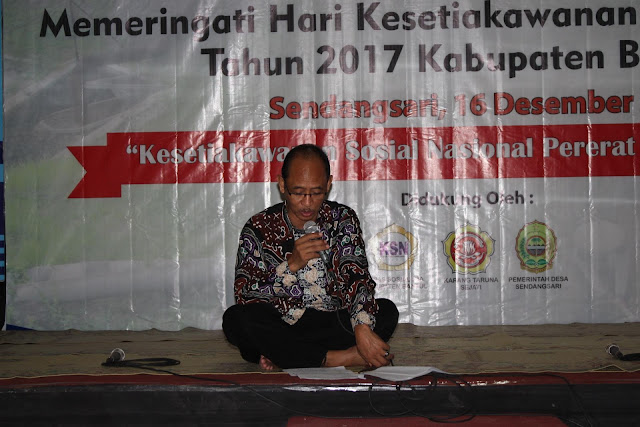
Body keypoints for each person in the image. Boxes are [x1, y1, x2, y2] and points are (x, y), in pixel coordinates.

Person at [223, 144, 398, 370]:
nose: (307, 203)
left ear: (328, 184)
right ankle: (335, 358)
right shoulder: (258, 226)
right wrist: (291, 265)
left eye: (316, 193)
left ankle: (288, 355)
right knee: (237, 319)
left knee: (385, 311)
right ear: (282, 184)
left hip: (331, 321)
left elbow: (357, 276)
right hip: (284, 324)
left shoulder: (342, 219)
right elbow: (245, 294)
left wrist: (362, 327)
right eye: (298, 192)